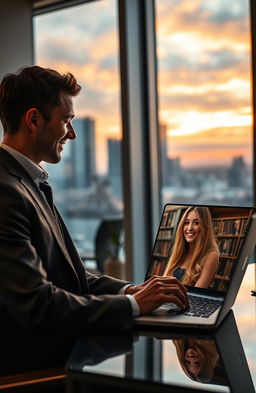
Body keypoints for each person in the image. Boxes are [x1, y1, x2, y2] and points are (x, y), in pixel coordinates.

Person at [0, 65, 188, 334]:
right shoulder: (6, 192)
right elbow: (37, 305)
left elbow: (67, 277)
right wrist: (133, 304)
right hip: (34, 366)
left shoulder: (26, 180)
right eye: (66, 121)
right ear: (34, 120)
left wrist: (129, 290)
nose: (72, 134)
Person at [164, 206, 219, 288]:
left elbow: (196, 293)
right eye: (186, 222)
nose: (189, 228)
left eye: (196, 223)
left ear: (205, 227)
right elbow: (162, 282)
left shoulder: (211, 255)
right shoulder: (179, 251)